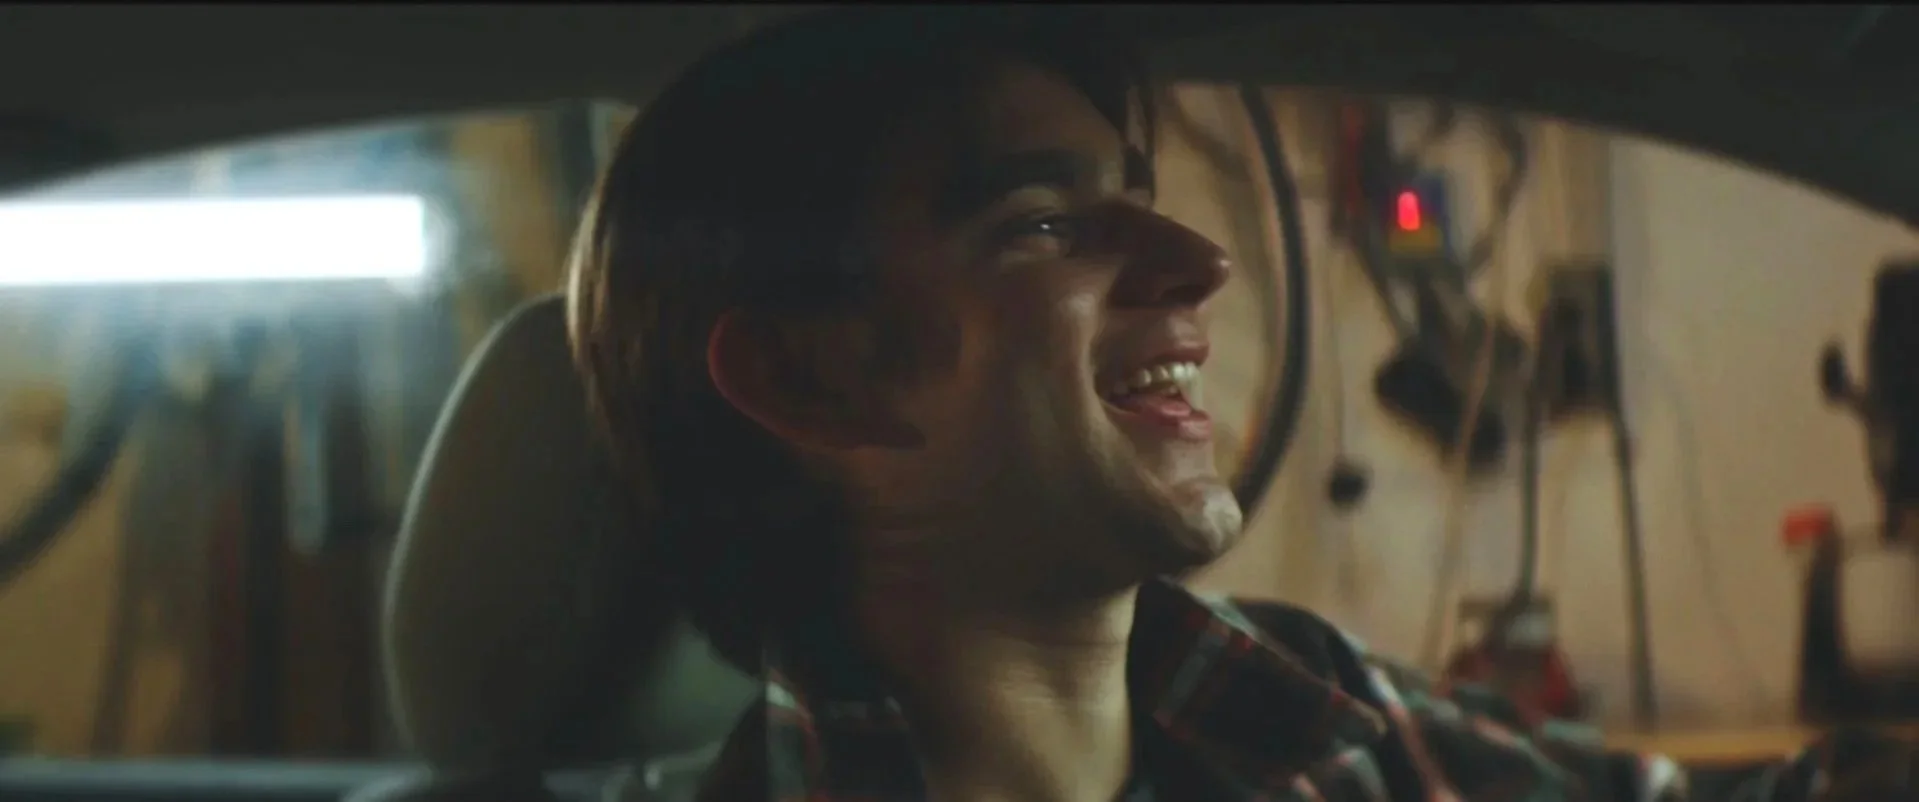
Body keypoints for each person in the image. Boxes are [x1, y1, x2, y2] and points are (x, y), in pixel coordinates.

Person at [567, 8, 1911, 802]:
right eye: (1041, 223)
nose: (1199, 268)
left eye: (1131, 190)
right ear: (811, 378)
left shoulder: (1296, 706)